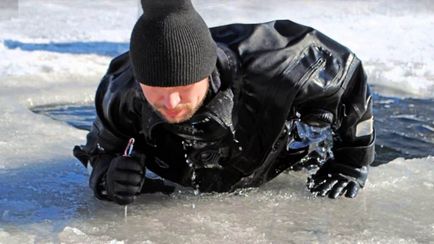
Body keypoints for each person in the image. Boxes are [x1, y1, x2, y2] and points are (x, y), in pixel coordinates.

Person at [73, 0, 375, 205]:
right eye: (155, 89)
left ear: (205, 72)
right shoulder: (120, 92)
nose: (170, 101)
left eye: (183, 87)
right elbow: (97, 151)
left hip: (278, 153)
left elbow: (349, 74)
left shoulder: (281, 65)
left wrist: (351, 161)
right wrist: (107, 178)